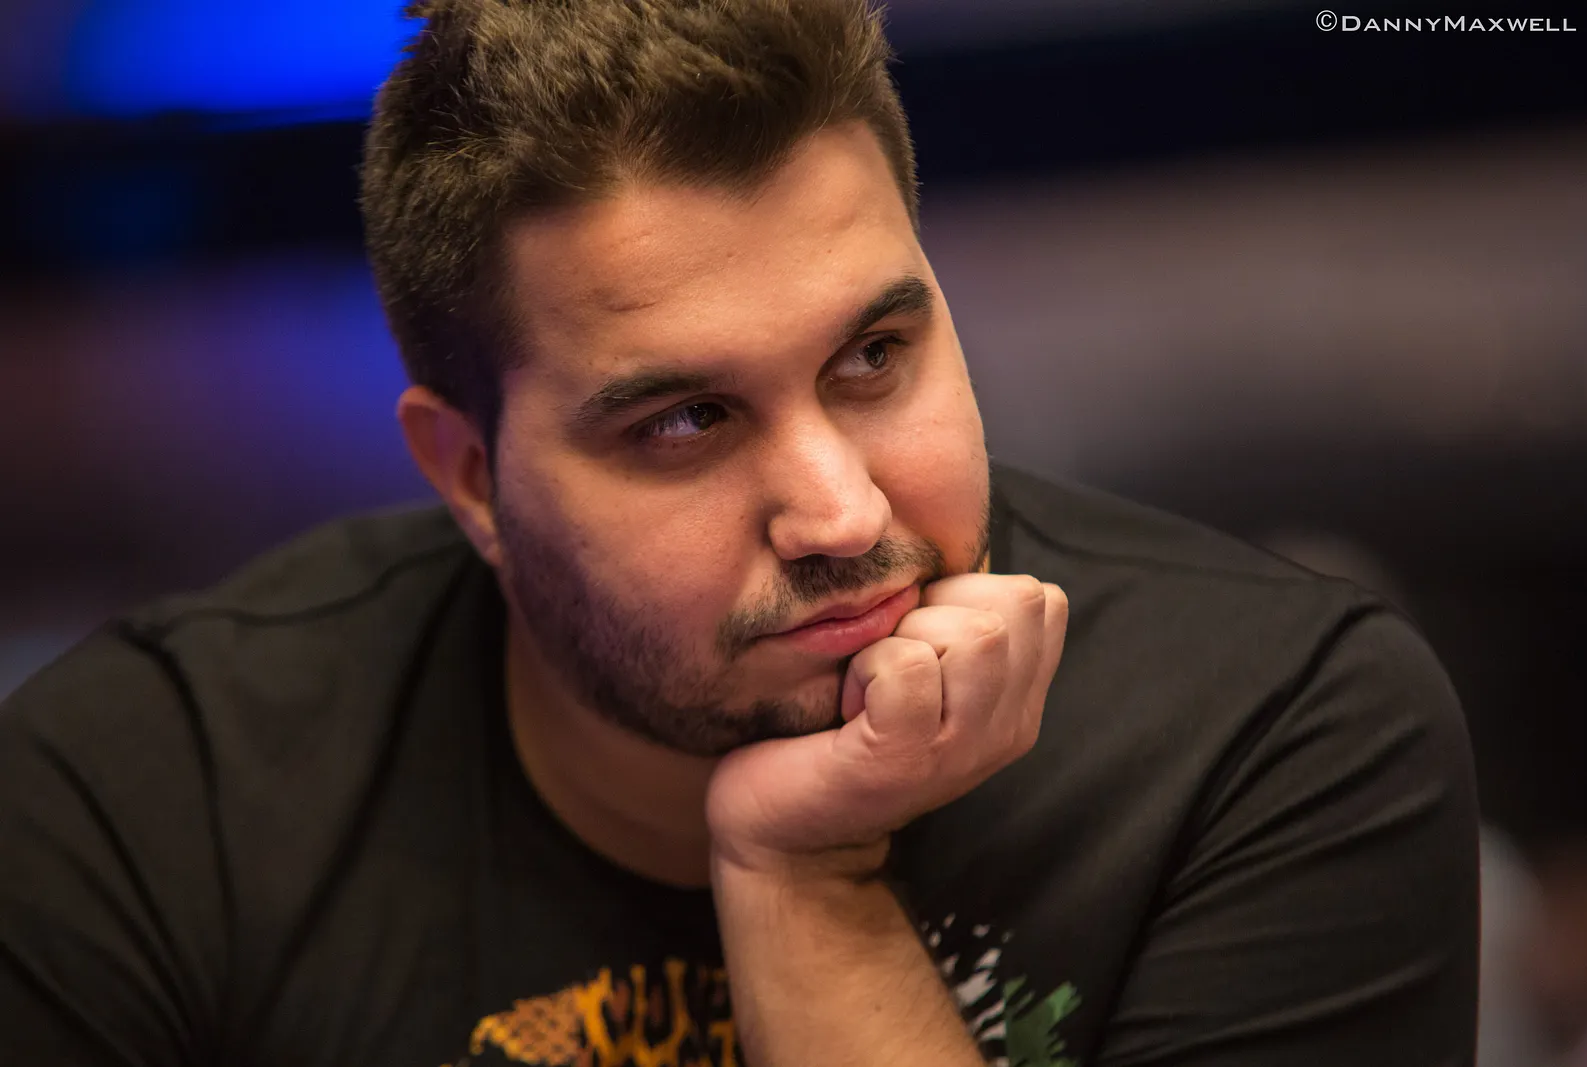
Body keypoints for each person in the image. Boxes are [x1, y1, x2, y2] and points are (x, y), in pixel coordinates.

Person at [0, 2, 1478, 1065]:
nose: (843, 512)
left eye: (874, 357)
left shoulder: (1275, 737)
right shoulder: (139, 805)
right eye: (685, 422)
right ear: (472, 479)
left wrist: (806, 881)